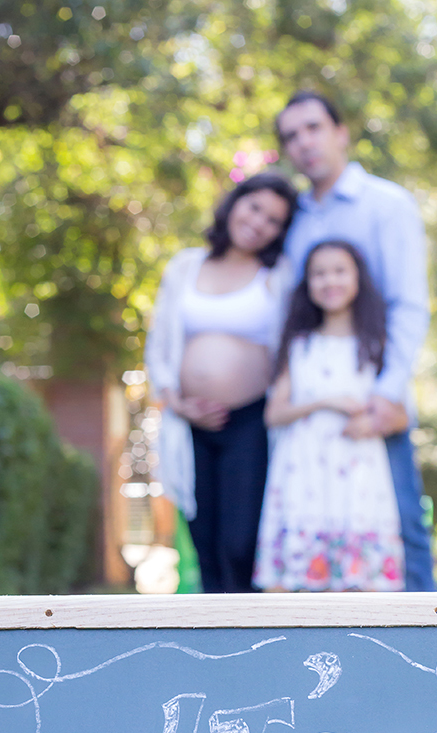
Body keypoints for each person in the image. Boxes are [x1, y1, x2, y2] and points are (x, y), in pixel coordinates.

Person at [276, 91, 436, 591]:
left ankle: (429, 641)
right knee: (322, 553)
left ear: (341, 133)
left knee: (401, 533)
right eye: (291, 136)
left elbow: (409, 305)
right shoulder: (295, 222)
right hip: (309, 426)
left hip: (374, 401)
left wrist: (386, 394)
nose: (304, 143)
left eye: (314, 128)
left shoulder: (386, 205)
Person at [145, 172, 297, 593]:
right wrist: (176, 401)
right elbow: (159, 344)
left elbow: (293, 349)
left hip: (250, 422)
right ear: (234, 204)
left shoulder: (279, 275)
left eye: (274, 220)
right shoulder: (185, 266)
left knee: (241, 543)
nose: (259, 222)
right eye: (255, 207)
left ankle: (254, 630)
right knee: (205, 544)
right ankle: (216, 634)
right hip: (189, 422)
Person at [255, 240, 403, 592]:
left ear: (357, 278)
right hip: (302, 472)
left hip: (358, 474)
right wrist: (324, 403)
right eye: (319, 274)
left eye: (339, 271)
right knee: (292, 591)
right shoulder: (298, 344)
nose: (329, 281)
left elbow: (402, 416)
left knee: (360, 590)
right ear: (307, 283)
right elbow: (273, 414)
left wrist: (372, 423)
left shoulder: (377, 344)